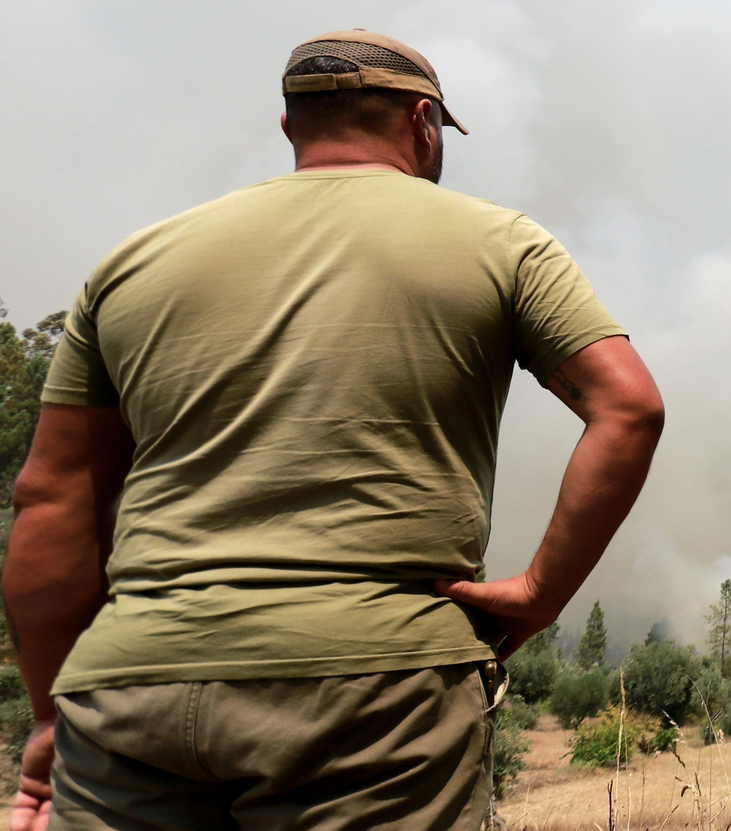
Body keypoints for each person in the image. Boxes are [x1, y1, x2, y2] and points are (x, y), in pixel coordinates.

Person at [4, 29, 663, 831]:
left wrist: (48, 718)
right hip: (374, 693)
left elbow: (50, 498)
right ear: (424, 124)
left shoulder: (131, 263)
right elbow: (628, 407)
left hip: (134, 686)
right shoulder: (503, 243)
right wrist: (537, 594)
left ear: (290, 127)